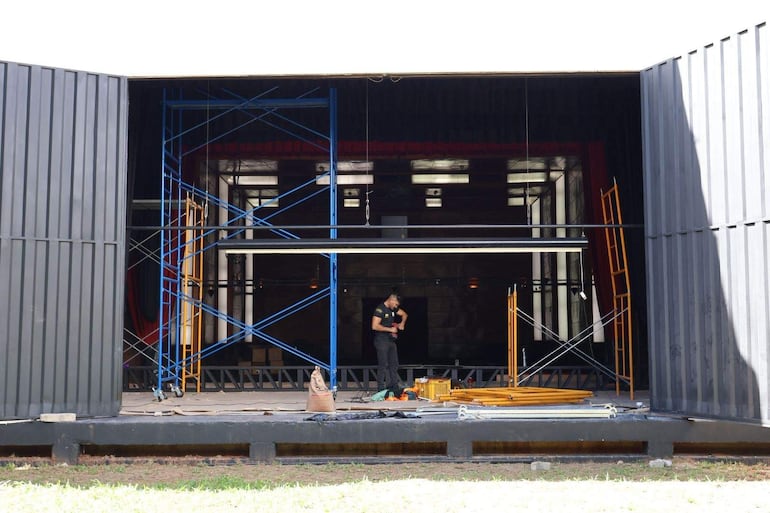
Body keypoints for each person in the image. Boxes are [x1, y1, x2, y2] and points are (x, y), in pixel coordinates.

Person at [371, 293, 408, 392]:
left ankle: (394, 386)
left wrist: (402, 323)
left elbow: (404, 314)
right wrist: (390, 329)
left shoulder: (393, 309)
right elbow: (374, 326)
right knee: (383, 364)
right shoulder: (380, 309)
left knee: (394, 364)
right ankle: (380, 388)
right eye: (395, 304)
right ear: (391, 300)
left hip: (391, 340)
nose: (396, 306)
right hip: (381, 340)